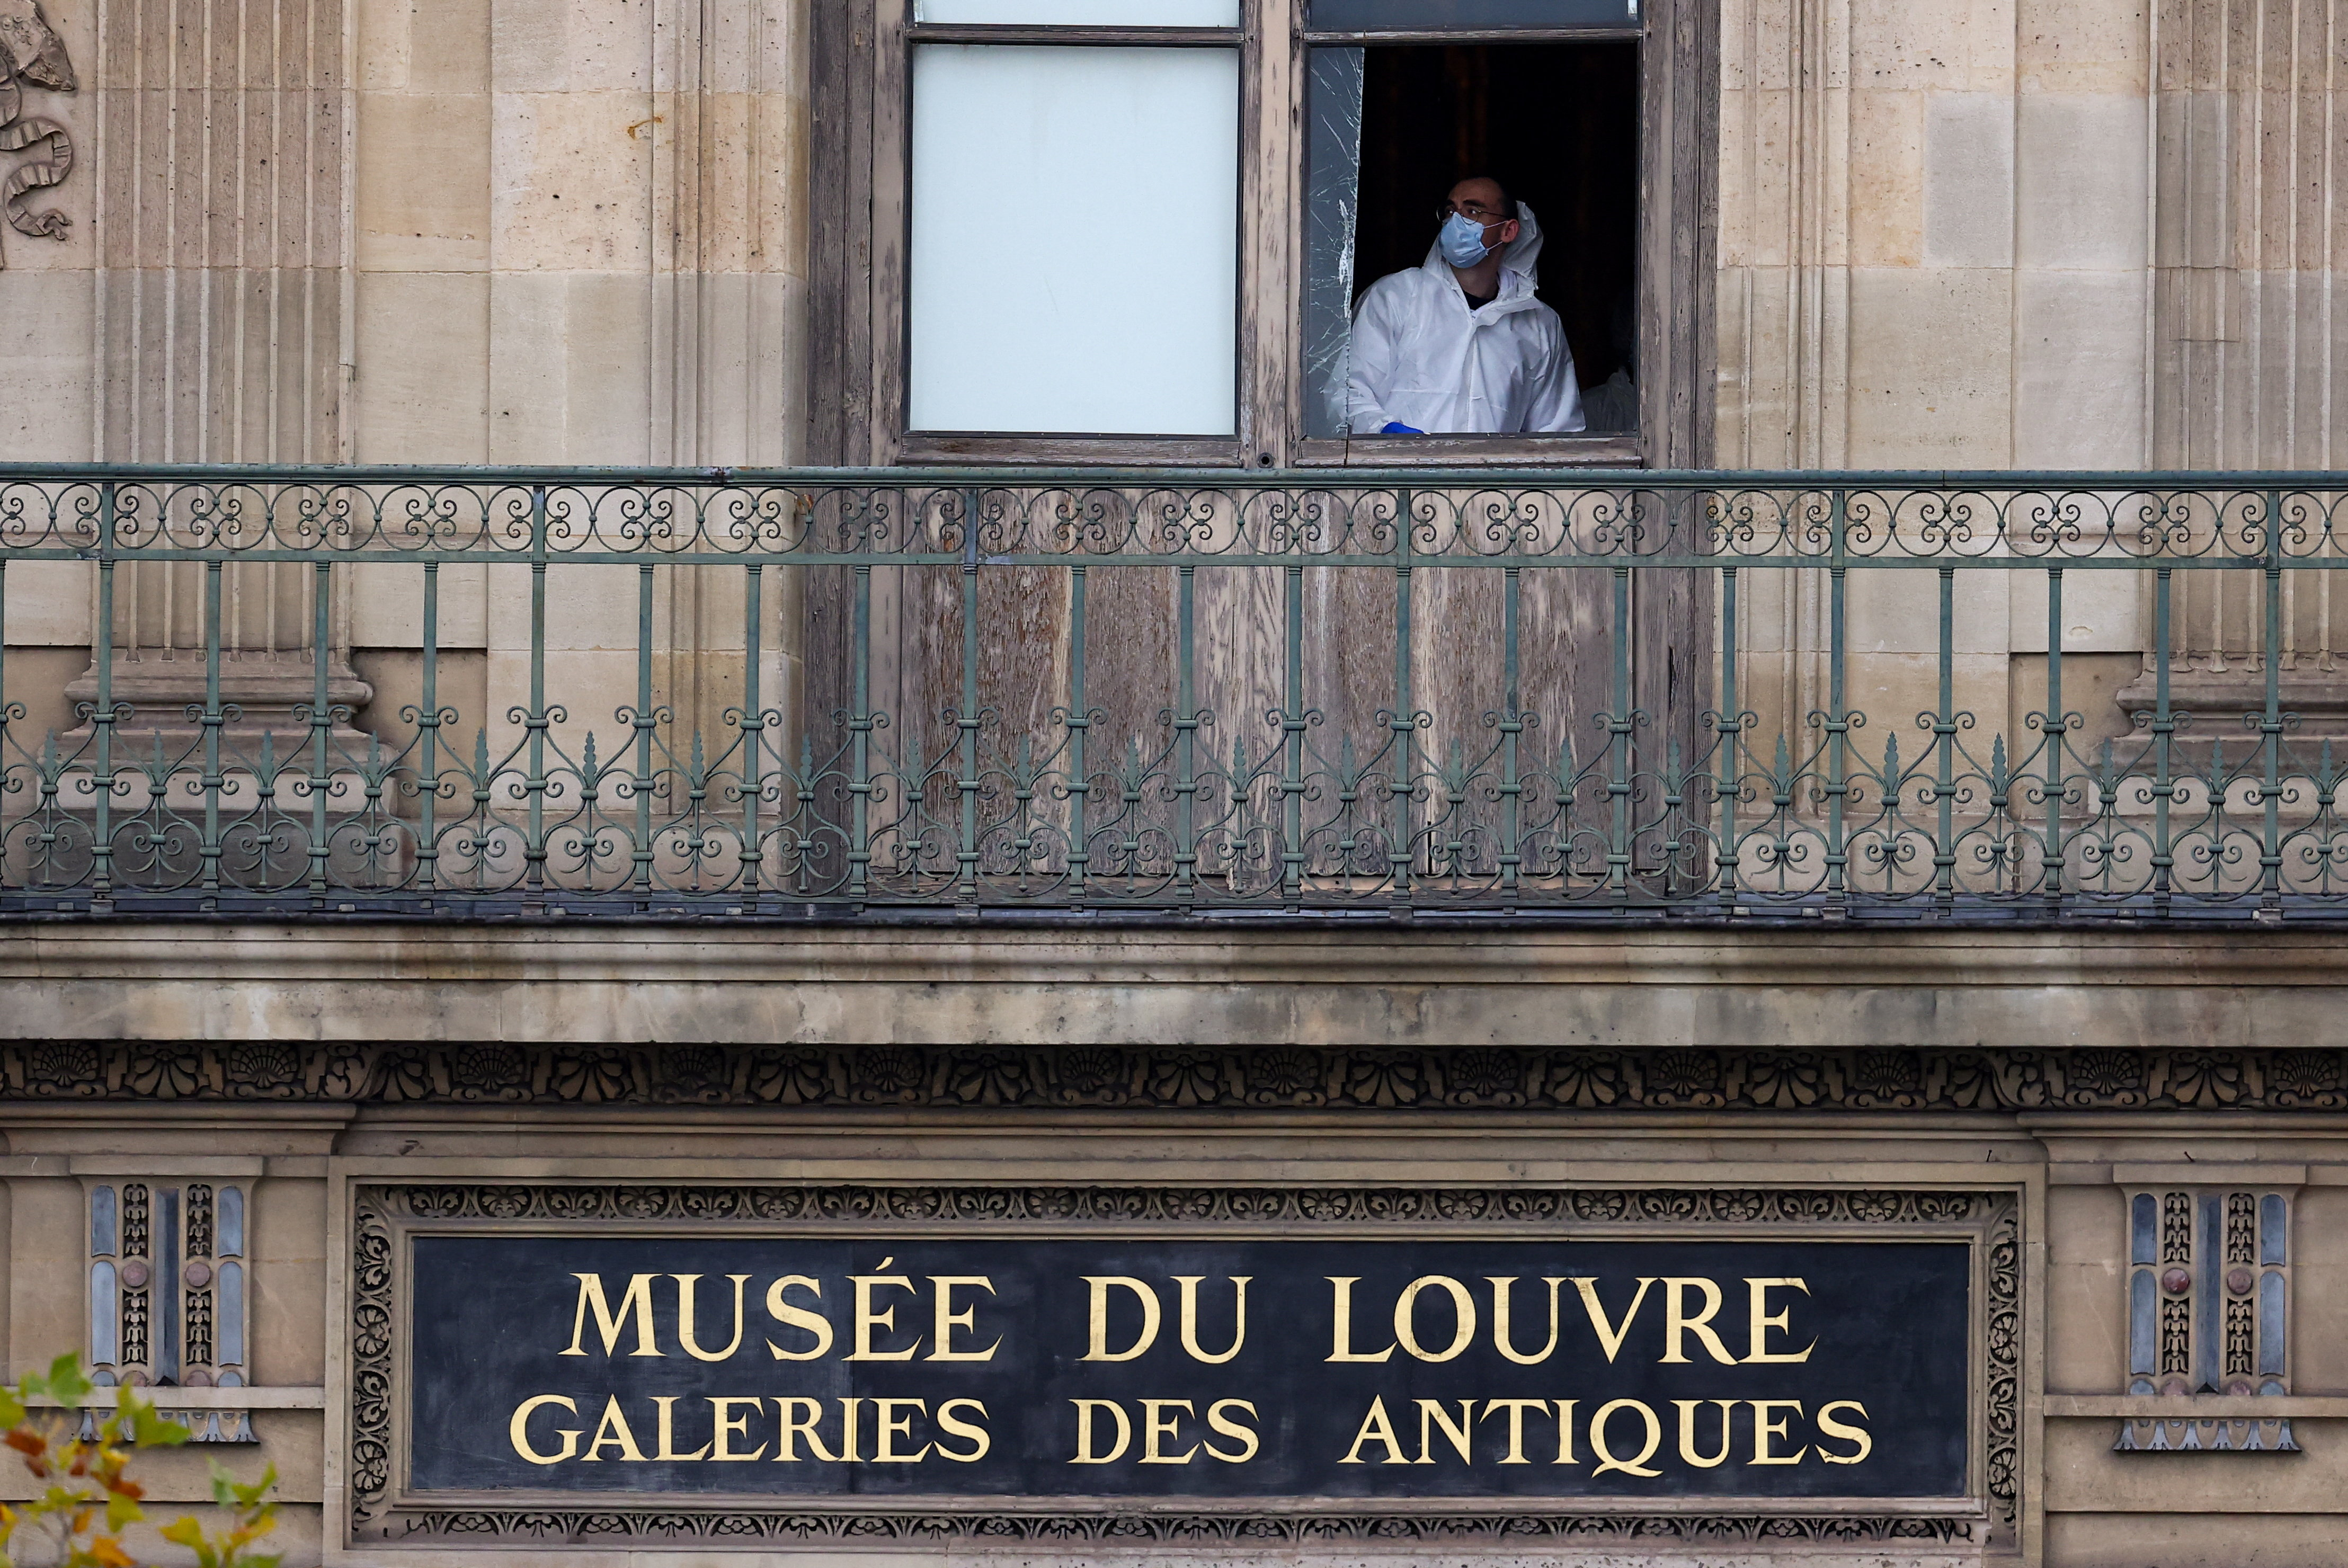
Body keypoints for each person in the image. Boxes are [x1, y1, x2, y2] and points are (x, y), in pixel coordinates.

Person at [1346, 176, 1585, 436]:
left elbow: (1556, 431)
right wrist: (1385, 431)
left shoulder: (1538, 323)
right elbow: (1350, 391)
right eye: (1450, 211)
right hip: (1400, 474)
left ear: (1509, 231)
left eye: (1473, 211)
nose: (1456, 221)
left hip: (1493, 477)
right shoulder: (1395, 297)